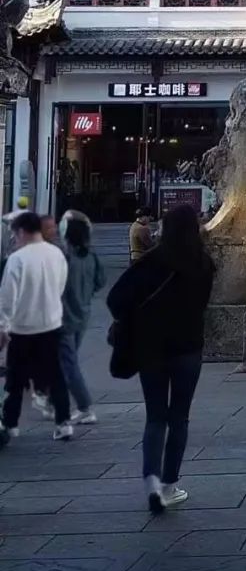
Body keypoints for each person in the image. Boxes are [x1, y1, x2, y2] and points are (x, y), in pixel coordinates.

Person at [107, 204, 215, 513]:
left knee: (155, 417)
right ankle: (169, 485)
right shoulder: (204, 264)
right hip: (188, 349)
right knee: (179, 417)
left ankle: (152, 481)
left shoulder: (152, 262)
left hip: (151, 349)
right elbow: (203, 306)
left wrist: (141, 318)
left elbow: (116, 299)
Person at [0, 210, 73, 446]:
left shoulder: (17, 259)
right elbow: (60, 285)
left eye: (15, 234)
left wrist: (3, 326)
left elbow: (8, 298)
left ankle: (10, 424)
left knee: (15, 379)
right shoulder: (56, 254)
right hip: (51, 324)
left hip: (22, 328)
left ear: (22, 231)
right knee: (56, 376)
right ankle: (63, 423)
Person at [56, 210, 106, 426]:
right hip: (83, 314)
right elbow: (101, 281)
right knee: (68, 360)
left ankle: (85, 407)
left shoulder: (66, 259)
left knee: (68, 364)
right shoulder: (91, 256)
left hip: (64, 317)